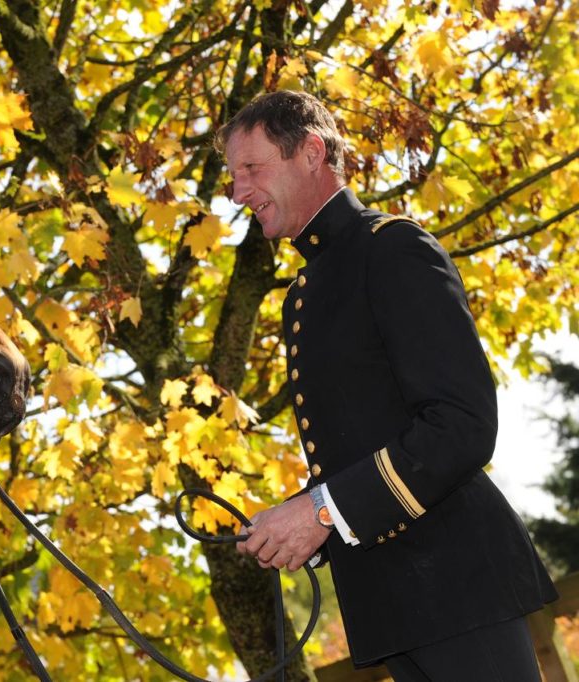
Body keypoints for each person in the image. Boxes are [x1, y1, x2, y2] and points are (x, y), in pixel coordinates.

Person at [220, 90, 557, 681]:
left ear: (312, 153)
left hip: (458, 586)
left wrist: (320, 513)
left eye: (251, 168)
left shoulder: (393, 249)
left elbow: (461, 425)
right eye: (232, 175)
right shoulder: (303, 295)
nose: (237, 191)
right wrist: (298, 525)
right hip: (389, 602)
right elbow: (359, 443)